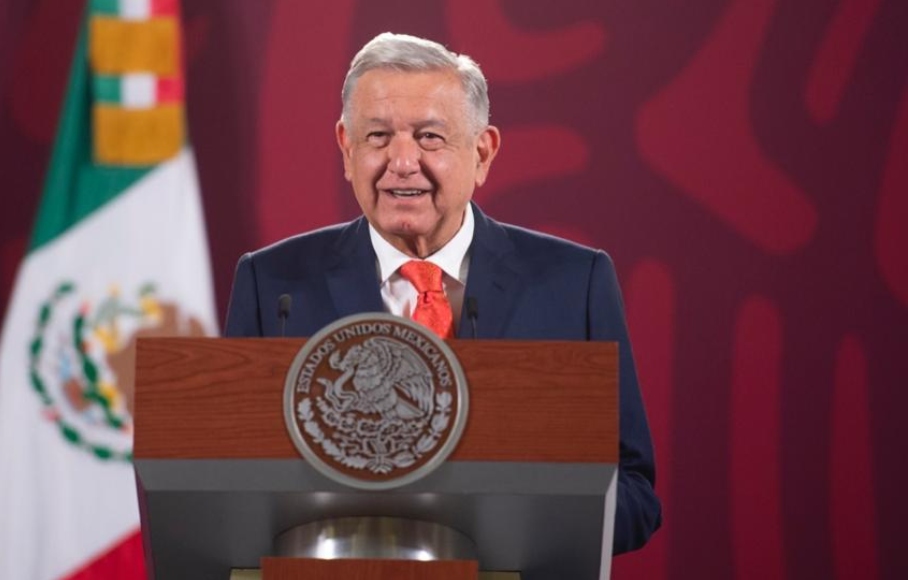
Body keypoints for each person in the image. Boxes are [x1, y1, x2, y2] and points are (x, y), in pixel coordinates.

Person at [224, 32, 661, 554]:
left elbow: (635, 495)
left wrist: (527, 517)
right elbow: (228, 493)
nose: (402, 162)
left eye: (429, 137)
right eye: (378, 137)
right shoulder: (273, 287)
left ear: (482, 152)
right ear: (346, 148)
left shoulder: (574, 283)